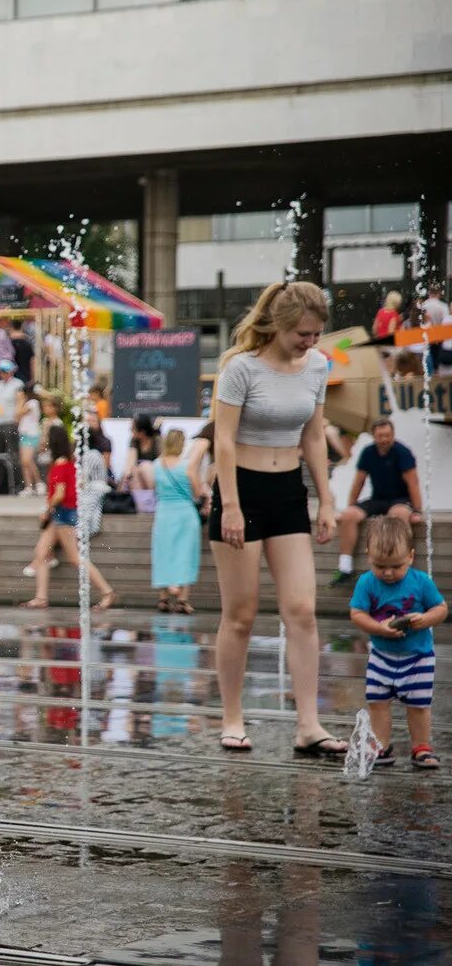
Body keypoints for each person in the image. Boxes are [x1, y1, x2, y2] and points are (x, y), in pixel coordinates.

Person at [210, 280, 345, 757]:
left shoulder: (318, 367)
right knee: (241, 614)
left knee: (302, 610)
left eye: (316, 334)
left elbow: (313, 436)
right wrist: (230, 505)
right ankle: (232, 717)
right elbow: (222, 441)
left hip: (289, 490)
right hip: (240, 490)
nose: (310, 343)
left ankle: (309, 725)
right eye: (302, 335)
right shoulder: (240, 368)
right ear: (278, 325)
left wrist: (325, 500)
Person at [348, 515, 443, 770]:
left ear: (411, 557)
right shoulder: (366, 582)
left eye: (396, 566)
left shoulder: (421, 581)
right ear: (369, 556)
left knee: (419, 705)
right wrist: (378, 628)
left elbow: (441, 609)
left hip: (418, 656)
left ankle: (421, 747)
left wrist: (424, 619)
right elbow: (357, 614)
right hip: (381, 656)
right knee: (378, 703)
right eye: (380, 566)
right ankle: (381, 745)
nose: (388, 573)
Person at [21, 423, 117, 611]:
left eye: (46, 437)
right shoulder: (70, 462)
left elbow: (59, 493)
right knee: (41, 552)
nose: (43, 440)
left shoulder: (59, 465)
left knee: (75, 558)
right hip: (63, 514)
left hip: (63, 515)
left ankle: (107, 592)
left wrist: (46, 510)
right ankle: (41, 597)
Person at [331, 417, 422, 587]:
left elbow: (413, 482)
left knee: (398, 514)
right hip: (378, 499)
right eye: (380, 436)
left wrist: (417, 510)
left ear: (393, 434)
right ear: (374, 436)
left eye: (387, 435)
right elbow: (359, 481)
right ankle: (345, 567)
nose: (384, 439)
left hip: (400, 499)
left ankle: (404, 565)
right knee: (348, 515)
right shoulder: (368, 452)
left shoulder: (402, 452)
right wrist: (351, 505)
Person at [150, 429, 202, 613]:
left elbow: (152, 487)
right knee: (185, 554)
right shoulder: (187, 466)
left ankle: (163, 598)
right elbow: (197, 492)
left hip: (164, 513)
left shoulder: (156, 465)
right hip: (185, 514)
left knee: (164, 553)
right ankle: (182, 599)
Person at [0, 359, 26, 494]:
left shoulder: (17, 384)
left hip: (10, 422)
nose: (3, 374)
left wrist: (16, 419)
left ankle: (17, 486)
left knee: (13, 455)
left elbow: (21, 401)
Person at [16, 386, 44, 496]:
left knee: (28, 460)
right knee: (24, 462)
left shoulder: (33, 403)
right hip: (24, 434)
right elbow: (16, 418)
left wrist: (20, 400)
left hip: (32, 434)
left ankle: (39, 483)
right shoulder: (26, 403)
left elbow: (18, 413)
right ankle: (28, 486)